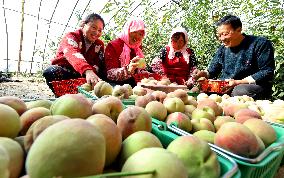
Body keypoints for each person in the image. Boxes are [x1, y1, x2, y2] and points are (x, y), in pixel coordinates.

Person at [195, 15, 275, 99]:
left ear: (239, 30)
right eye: (219, 35)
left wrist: (238, 82)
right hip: (227, 86)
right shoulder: (222, 49)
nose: (222, 38)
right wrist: (203, 74)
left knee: (239, 91)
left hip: (251, 86)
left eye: (225, 34)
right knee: (200, 89)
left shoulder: (260, 43)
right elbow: (212, 71)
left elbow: (267, 71)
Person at [43, 13, 105, 93]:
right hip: (67, 71)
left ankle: (81, 92)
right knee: (51, 71)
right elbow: (72, 53)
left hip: (84, 75)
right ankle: (63, 94)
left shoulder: (99, 45)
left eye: (100, 30)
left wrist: (91, 73)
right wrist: (88, 71)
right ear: (83, 25)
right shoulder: (72, 36)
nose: (96, 32)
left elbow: (97, 64)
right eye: (93, 27)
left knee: (101, 77)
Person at [103, 18, 148, 87]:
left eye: (141, 34)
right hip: (114, 86)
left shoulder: (137, 49)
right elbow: (110, 74)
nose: (137, 36)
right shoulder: (113, 45)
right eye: (135, 32)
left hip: (132, 86)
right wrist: (128, 70)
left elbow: (137, 70)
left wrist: (143, 73)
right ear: (127, 30)